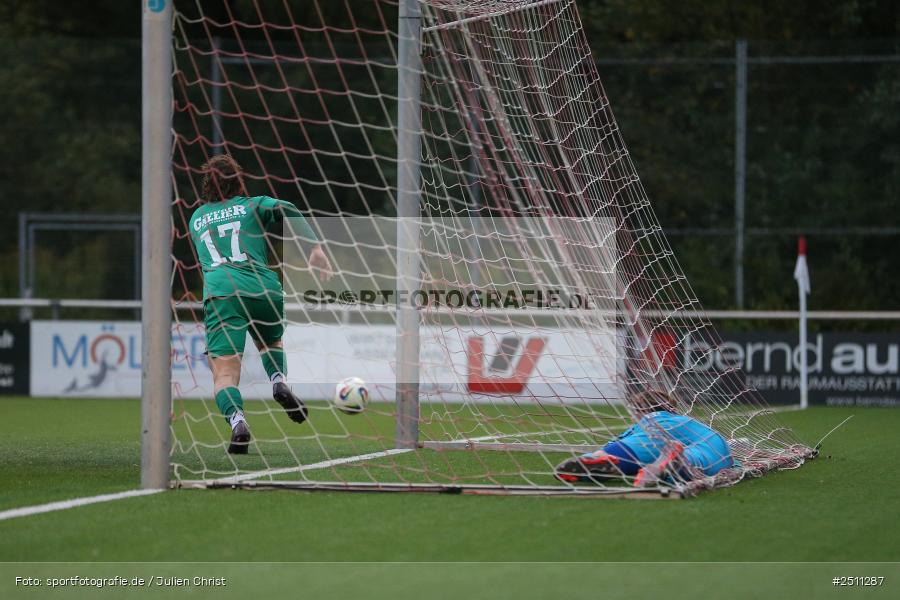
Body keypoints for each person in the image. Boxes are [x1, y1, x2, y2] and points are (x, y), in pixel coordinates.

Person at [189, 154, 333, 454]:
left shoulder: (197, 219)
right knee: (271, 344)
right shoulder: (252, 205)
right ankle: (279, 381)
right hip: (263, 288)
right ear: (237, 181)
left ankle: (238, 421)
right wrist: (315, 247)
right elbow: (286, 208)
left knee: (224, 374)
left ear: (207, 184)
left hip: (222, 293)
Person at [555, 390, 735, 486]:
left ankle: (599, 464)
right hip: (719, 450)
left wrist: (596, 454)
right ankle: (676, 462)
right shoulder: (689, 422)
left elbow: (617, 444)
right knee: (693, 460)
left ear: (641, 410)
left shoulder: (650, 421)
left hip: (655, 435)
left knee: (611, 455)